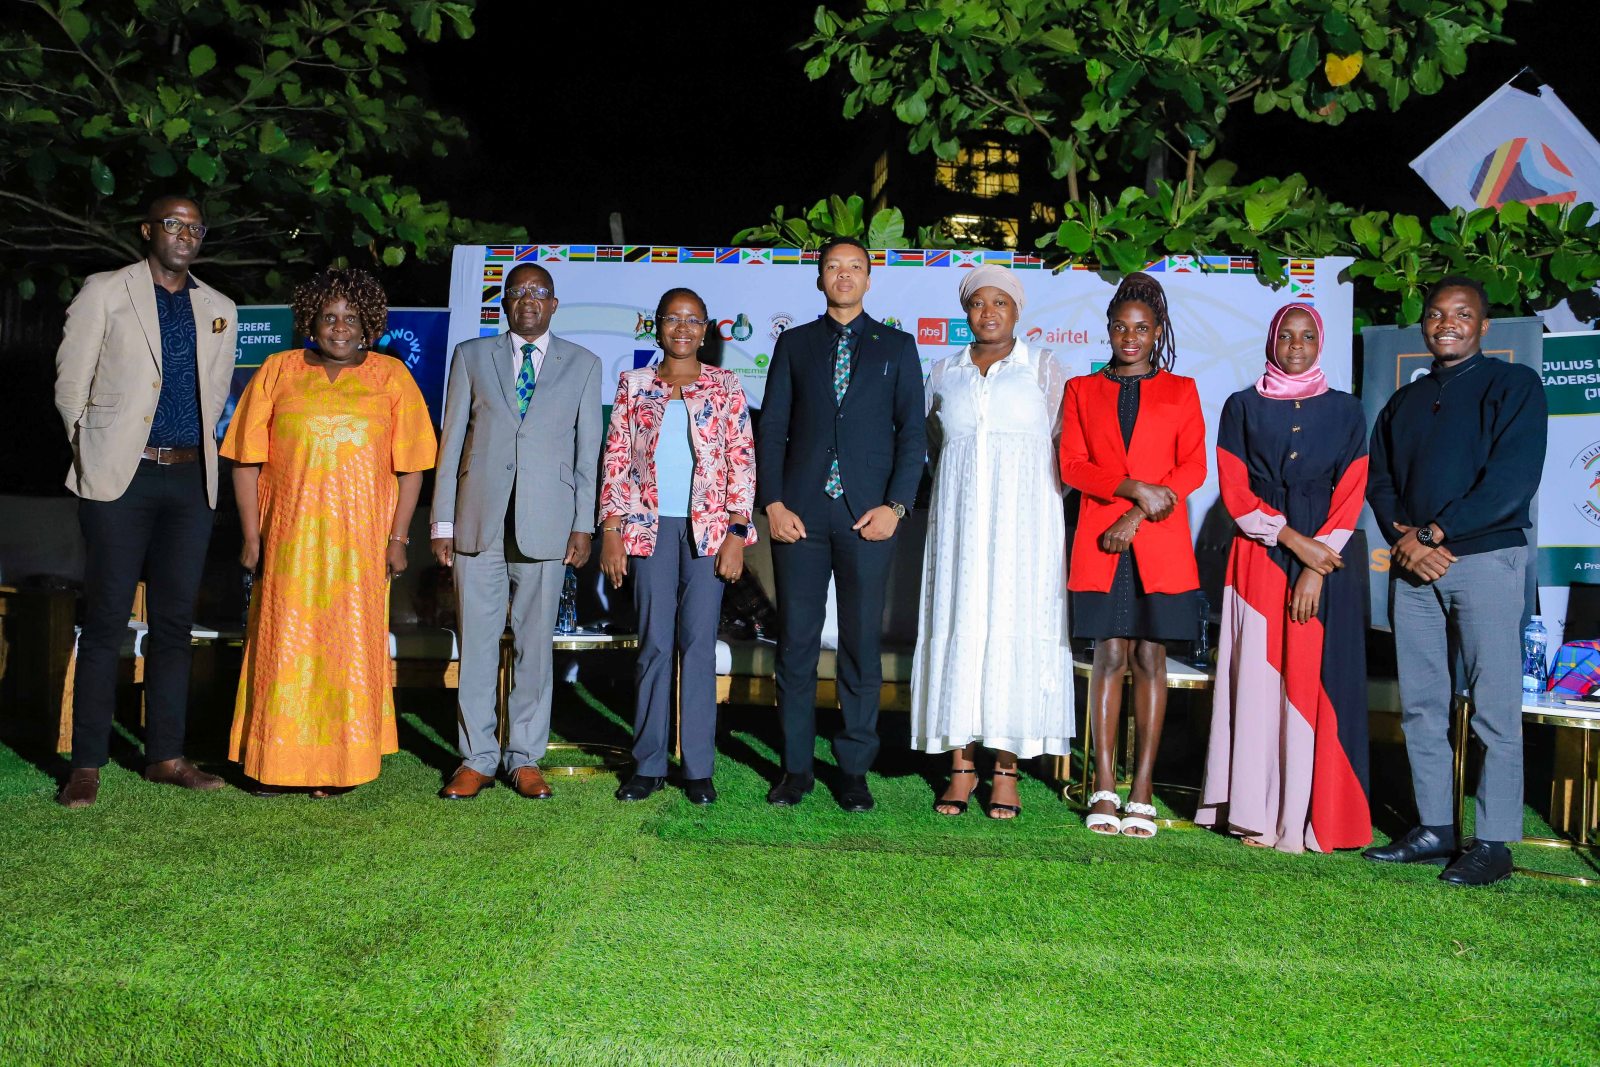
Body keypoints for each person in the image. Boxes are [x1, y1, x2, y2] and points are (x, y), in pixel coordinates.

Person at [52, 195, 238, 808]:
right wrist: (95, 450)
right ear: (148, 230)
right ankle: (86, 764)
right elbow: (70, 385)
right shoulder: (105, 291)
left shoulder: (220, 308)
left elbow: (214, 396)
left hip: (190, 483)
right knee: (105, 622)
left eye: (195, 227)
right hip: (121, 478)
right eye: (173, 224)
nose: (185, 234)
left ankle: (165, 754)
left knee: (174, 626)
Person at [222, 268, 436, 796]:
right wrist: (252, 536)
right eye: (328, 317)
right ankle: (274, 764)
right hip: (289, 541)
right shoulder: (278, 370)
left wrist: (397, 538)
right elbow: (245, 461)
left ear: (368, 325)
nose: (339, 327)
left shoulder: (392, 377)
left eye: (351, 318)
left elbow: (412, 466)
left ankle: (342, 766)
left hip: (359, 547)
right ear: (311, 322)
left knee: (348, 650)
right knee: (282, 644)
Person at [1364, 276, 1547, 886]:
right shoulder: (1404, 401)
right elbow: (1380, 480)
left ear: (1484, 325)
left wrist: (1435, 534)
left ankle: (1493, 841)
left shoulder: (1513, 385)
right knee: (1420, 704)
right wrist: (1405, 540)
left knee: (1493, 707)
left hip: (1486, 562)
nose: (1448, 323)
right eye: (1437, 314)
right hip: (1414, 566)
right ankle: (1436, 827)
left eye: (1462, 314)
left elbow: (1511, 480)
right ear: (1423, 324)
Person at [756, 236, 927, 812]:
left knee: (859, 647)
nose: (844, 275)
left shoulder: (897, 347)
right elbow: (772, 427)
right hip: (800, 517)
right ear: (820, 277)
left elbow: (912, 437)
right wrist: (773, 504)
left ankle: (853, 770)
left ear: (870, 278)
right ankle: (796, 769)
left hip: (869, 518)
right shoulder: (795, 344)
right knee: (797, 646)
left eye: (855, 267)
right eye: (834, 267)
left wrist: (897, 507)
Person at [1195, 303, 1372, 852]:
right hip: (1258, 557)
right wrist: (1293, 540)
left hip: (1328, 560)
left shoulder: (1347, 411)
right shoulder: (1241, 406)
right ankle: (1254, 809)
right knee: (1259, 678)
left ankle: (1306, 817)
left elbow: (1352, 491)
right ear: (1272, 342)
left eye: (1307, 337)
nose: (1296, 345)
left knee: (1311, 682)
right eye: (1287, 336)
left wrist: (1317, 565)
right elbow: (1235, 488)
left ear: (1320, 344)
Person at [430, 263, 602, 801]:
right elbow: (451, 442)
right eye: (518, 291)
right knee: (477, 646)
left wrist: (583, 524)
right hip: (478, 521)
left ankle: (524, 758)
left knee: (534, 646)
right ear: (502, 303)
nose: (528, 300)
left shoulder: (585, 364)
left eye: (539, 292)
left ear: (554, 304)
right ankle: (476, 758)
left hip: (547, 526)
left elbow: (587, 455)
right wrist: (442, 521)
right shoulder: (470, 357)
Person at [912, 265, 1072, 820]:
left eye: (1000, 303)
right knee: (961, 624)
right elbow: (937, 447)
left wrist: (1030, 507)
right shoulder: (942, 373)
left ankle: (1006, 768)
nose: (989, 313)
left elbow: (1065, 452)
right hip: (959, 525)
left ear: (1017, 310)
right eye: (978, 303)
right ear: (966, 312)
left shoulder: (1045, 370)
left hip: (1025, 529)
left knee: (1013, 628)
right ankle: (960, 766)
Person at [1059, 272, 1205, 839]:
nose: (1130, 337)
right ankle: (1102, 784)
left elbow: (1192, 467)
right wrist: (1131, 489)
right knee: (1109, 657)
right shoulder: (1081, 390)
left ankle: (1141, 788)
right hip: (1101, 544)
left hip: (1157, 543)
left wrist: (1139, 510)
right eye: (1121, 327)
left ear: (1157, 331)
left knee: (1151, 660)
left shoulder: (1182, 389)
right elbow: (1072, 465)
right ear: (1109, 330)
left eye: (1141, 329)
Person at [598, 288, 757, 806]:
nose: (683, 329)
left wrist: (737, 533)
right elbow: (616, 461)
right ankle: (647, 764)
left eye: (693, 321)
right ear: (657, 326)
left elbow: (742, 462)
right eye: (673, 319)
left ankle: (697, 768)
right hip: (648, 529)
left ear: (706, 329)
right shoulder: (634, 385)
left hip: (708, 530)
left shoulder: (726, 385)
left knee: (697, 645)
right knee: (655, 645)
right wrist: (612, 530)